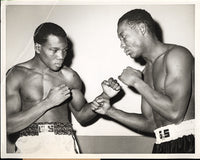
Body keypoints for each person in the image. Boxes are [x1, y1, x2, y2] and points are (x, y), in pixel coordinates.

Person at [6, 22, 121, 154]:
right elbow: (9, 126)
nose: (61, 57)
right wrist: (48, 103)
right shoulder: (16, 74)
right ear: (38, 47)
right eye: (54, 50)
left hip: (63, 144)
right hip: (29, 146)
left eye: (64, 50)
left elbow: (82, 116)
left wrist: (104, 96)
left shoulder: (69, 76)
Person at [91, 9, 195, 153]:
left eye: (124, 37)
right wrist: (110, 111)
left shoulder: (177, 55)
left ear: (142, 28)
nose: (122, 45)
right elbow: (150, 123)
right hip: (162, 145)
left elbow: (175, 114)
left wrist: (137, 82)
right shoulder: (147, 71)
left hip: (189, 143)